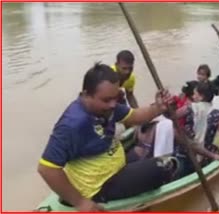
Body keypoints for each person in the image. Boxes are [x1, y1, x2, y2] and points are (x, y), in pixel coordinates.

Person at [37, 63, 179, 212]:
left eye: (115, 98)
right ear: (86, 95)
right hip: (99, 187)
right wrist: (81, 203)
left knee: (141, 154)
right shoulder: (72, 124)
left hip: (114, 168)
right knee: (167, 164)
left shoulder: (107, 107)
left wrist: (157, 108)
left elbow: (135, 116)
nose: (113, 105)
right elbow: (47, 169)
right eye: (106, 100)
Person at [174, 82, 219, 177]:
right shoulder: (218, 114)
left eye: (195, 94)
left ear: (201, 97)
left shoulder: (190, 107)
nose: (193, 96)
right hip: (205, 156)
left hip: (186, 151)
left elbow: (172, 117)